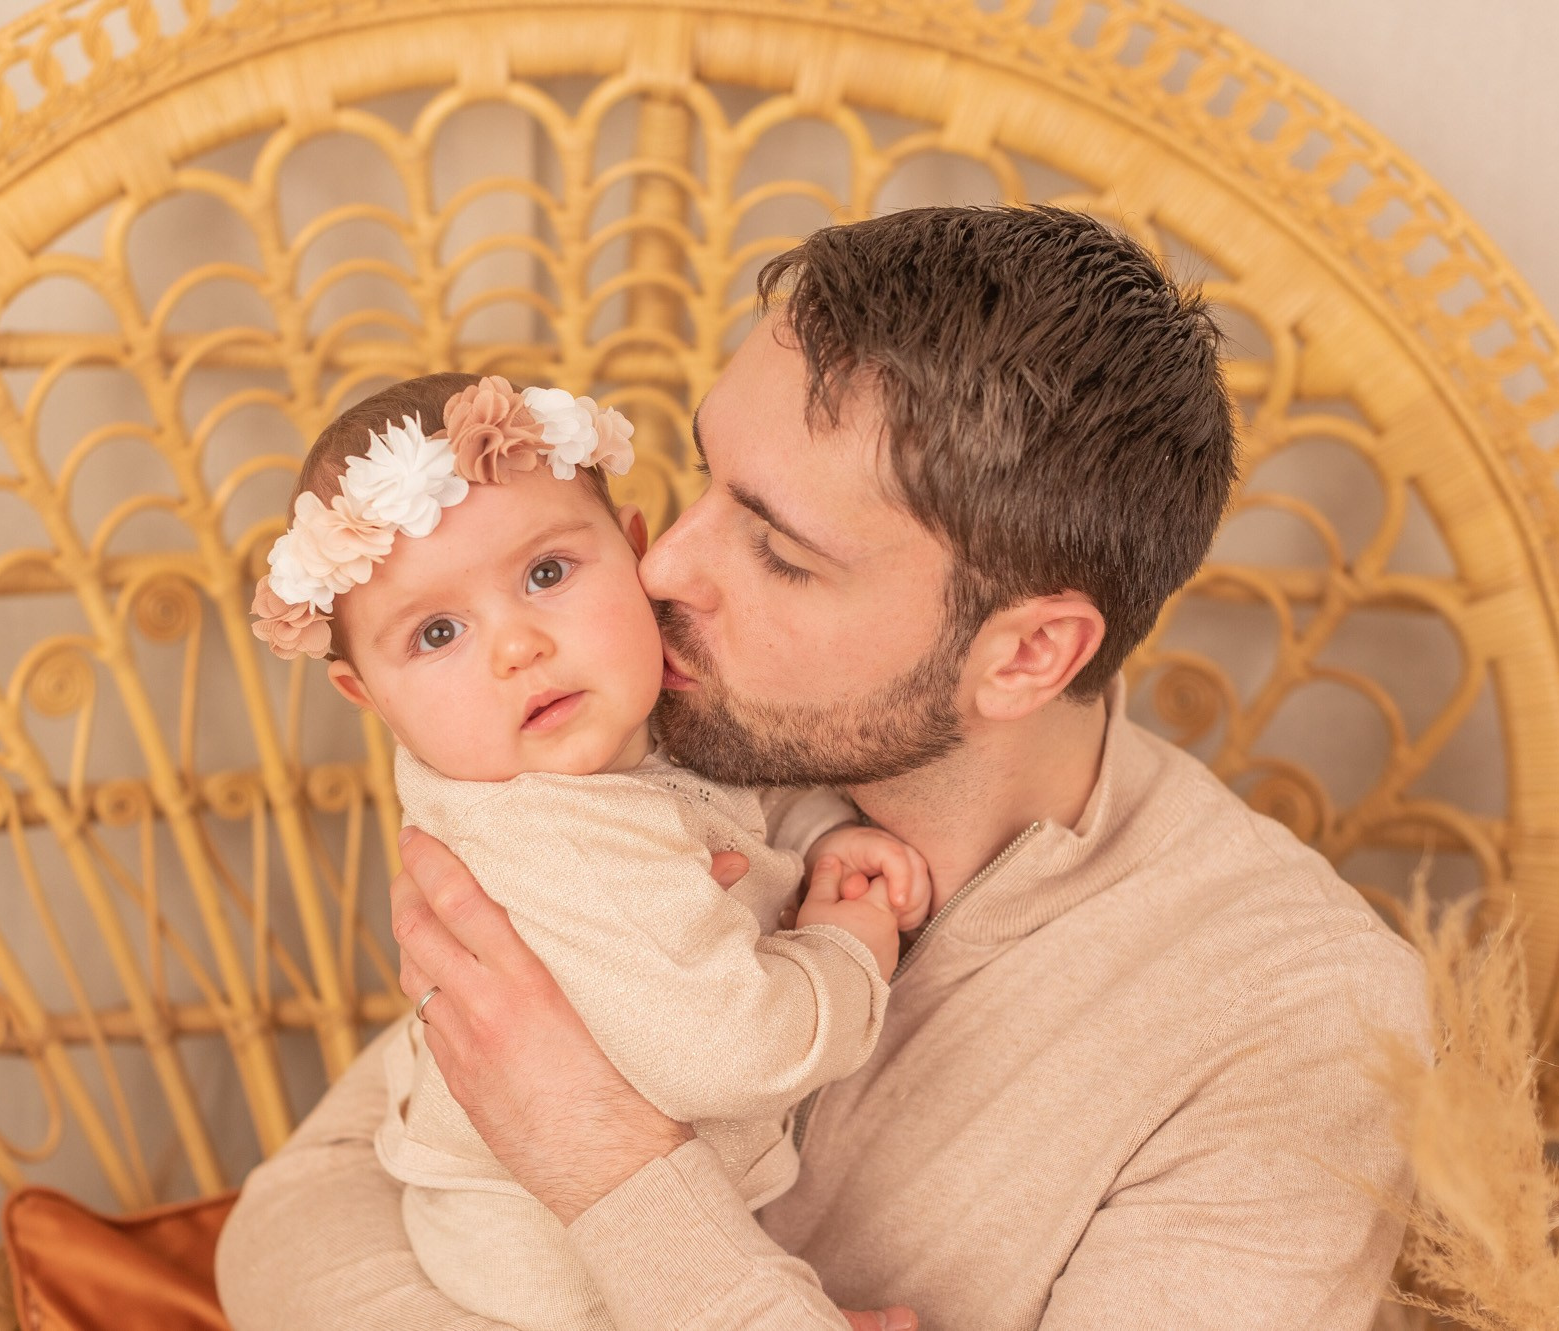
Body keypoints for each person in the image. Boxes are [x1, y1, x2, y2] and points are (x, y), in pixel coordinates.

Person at [215, 205, 1428, 1330]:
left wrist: (603, 1159)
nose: (660, 566)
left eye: (779, 552)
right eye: (699, 479)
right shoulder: (641, 785)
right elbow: (294, 1215)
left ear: (1027, 654)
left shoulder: (1300, 1030)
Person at [237, 371, 934, 1329]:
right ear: (370, 697)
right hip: (555, 1276)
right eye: (438, 632)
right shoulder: (548, 834)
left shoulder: (624, 723)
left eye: (547, 574)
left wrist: (821, 835)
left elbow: (734, 799)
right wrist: (844, 947)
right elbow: (733, 1051)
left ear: (635, 554)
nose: (518, 645)